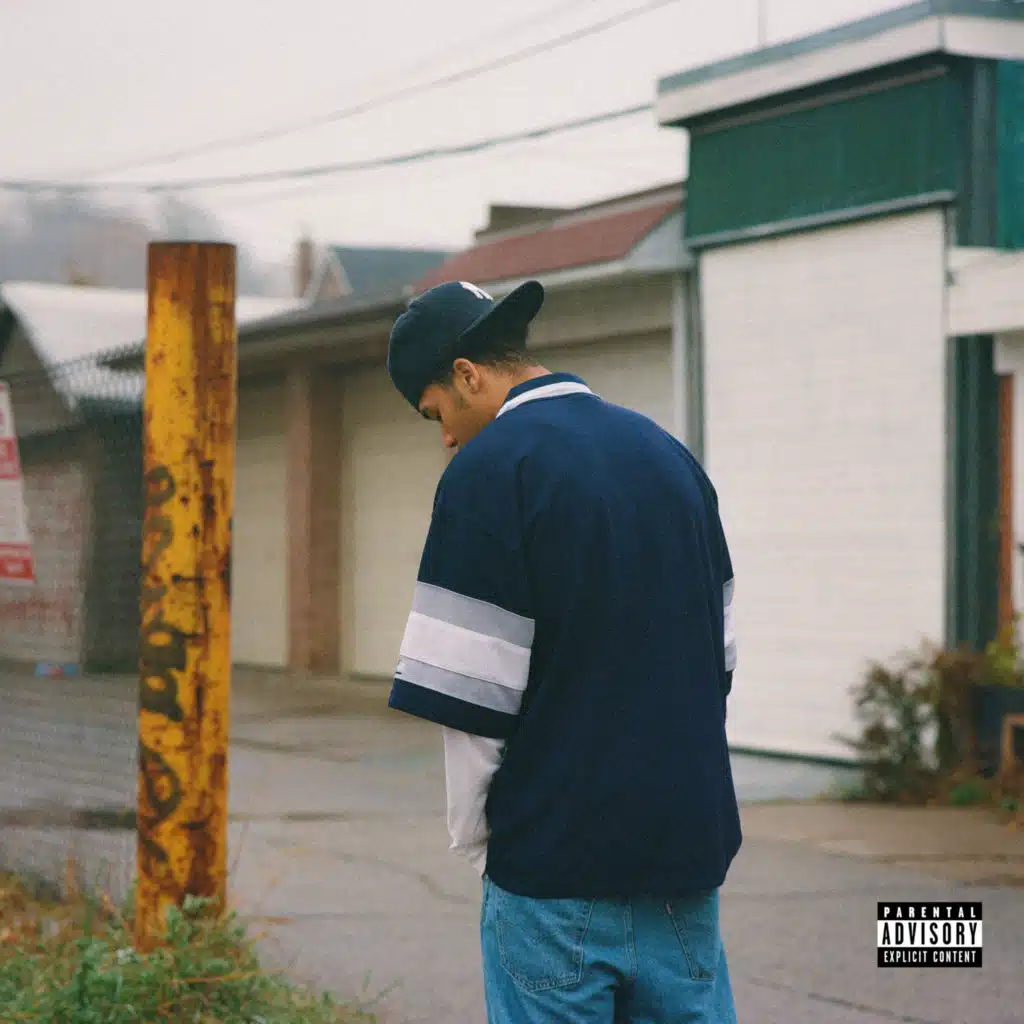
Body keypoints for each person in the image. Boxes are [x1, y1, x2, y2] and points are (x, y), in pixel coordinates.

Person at [385, 278, 741, 1023]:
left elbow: (471, 703)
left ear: (467, 375)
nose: (445, 437)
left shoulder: (486, 473)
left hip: (552, 872)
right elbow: (722, 658)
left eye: (435, 413)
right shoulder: (668, 456)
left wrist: (484, 847)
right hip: (684, 865)